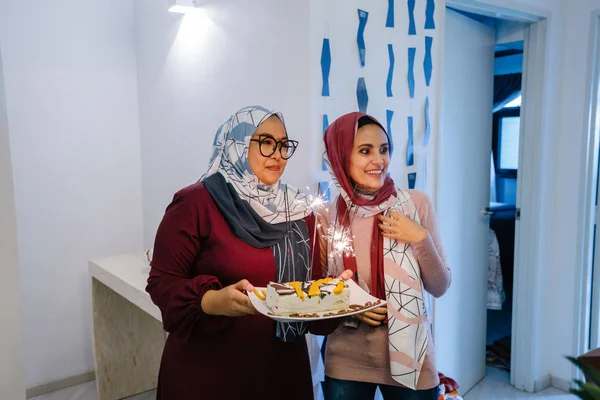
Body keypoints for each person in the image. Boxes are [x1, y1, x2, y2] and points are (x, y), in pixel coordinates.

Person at [146, 105, 337, 400]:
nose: (277, 154)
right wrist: (211, 301)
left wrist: (334, 293)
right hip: (210, 372)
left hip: (282, 372)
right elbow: (161, 283)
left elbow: (307, 289)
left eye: (284, 145)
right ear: (237, 145)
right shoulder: (195, 203)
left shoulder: (297, 209)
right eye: (266, 142)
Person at [320, 112, 452, 400]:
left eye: (384, 149)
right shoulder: (326, 216)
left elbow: (440, 287)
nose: (379, 160)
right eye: (365, 151)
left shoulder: (416, 204)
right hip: (347, 361)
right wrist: (353, 304)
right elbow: (316, 293)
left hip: (413, 361)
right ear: (341, 155)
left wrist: (419, 237)